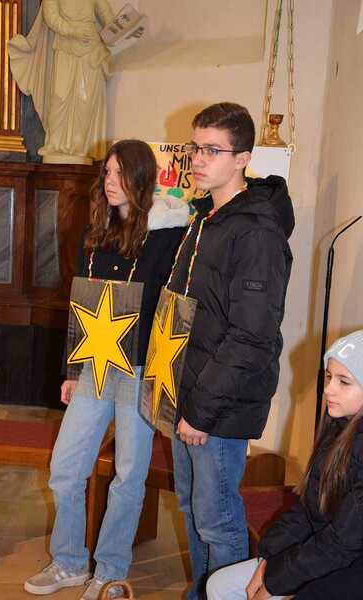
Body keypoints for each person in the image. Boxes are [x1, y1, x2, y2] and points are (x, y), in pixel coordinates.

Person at [24, 140, 189, 599]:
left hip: (138, 369)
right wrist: (70, 370)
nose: (111, 182)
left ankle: (110, 572)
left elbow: (172, 309)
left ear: (141, 178)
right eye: (107, 174)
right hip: (95, 362)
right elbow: (81, 304)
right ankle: (70, 562)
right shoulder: (95, 233)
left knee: (128, 476)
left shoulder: (168, 235)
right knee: (66, 467)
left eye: (120, 174)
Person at [166, 102, 294, 599]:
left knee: (218, 522)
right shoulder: (206, 219)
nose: (198, 160)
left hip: (219, 404)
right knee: (192, 510)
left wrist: (201, 410)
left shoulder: (257, 231)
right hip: (189, 390)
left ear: (243, 158)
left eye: (212, 150)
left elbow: (252, 336)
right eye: (195, 148)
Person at [206, 329, 363, 600]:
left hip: (349, 567)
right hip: (328, 553)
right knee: (219, 585)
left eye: (344, 382)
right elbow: (309, 510)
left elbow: (340, 544)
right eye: (329, 377)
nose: (328, 389)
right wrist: (270, 555)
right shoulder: (338, 427)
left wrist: (274, 582)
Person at [9, 0, 115, 164]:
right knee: (60, 98)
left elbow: (108, 18)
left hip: (90, 50)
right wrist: (73, 31)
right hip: (65, 48)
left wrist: (125, 28)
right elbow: (51, 17)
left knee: (85, 101)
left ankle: (80, 146)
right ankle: (55, 144)